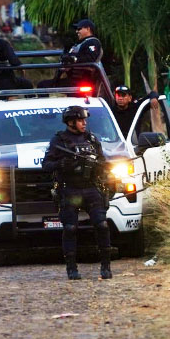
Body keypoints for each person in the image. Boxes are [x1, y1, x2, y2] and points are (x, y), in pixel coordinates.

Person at [42, 106, 112, 280]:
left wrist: (97, 164)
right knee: (70, 228)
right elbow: (46, 165)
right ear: (71, 122)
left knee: (102, 225)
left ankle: (106, 267)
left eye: (85, 120)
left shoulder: (91, 139)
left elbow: (103, 161)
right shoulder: (59, 141)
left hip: (91, 187)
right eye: (81, 120)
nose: (84, 123)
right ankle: (72, 268)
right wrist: (62, 164)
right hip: (70, 189)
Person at [38, 19, 104, 89]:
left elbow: (90, 58)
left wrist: (73, 59)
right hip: (73, 81)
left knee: (43, 85)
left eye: (79, 29)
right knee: (42, 85)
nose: (77, 31)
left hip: (83, 81)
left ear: (88, 29)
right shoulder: (81, 43)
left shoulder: (92, 42)